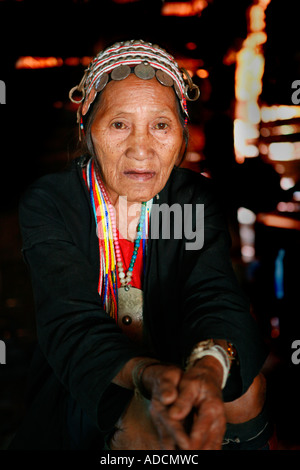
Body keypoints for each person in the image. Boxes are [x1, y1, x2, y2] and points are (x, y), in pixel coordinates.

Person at [10, 39, 273, 451]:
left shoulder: (191, 199)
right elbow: (69, 320)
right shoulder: (54, 203)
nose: (141, 148)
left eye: (161, 125)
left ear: (181, 135)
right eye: (119, 124)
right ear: (88, 129)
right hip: (90, 382)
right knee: (144, 425)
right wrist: (143, 375)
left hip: (176, 365)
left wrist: (207, 370)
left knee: (242, 391)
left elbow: (215, 293)